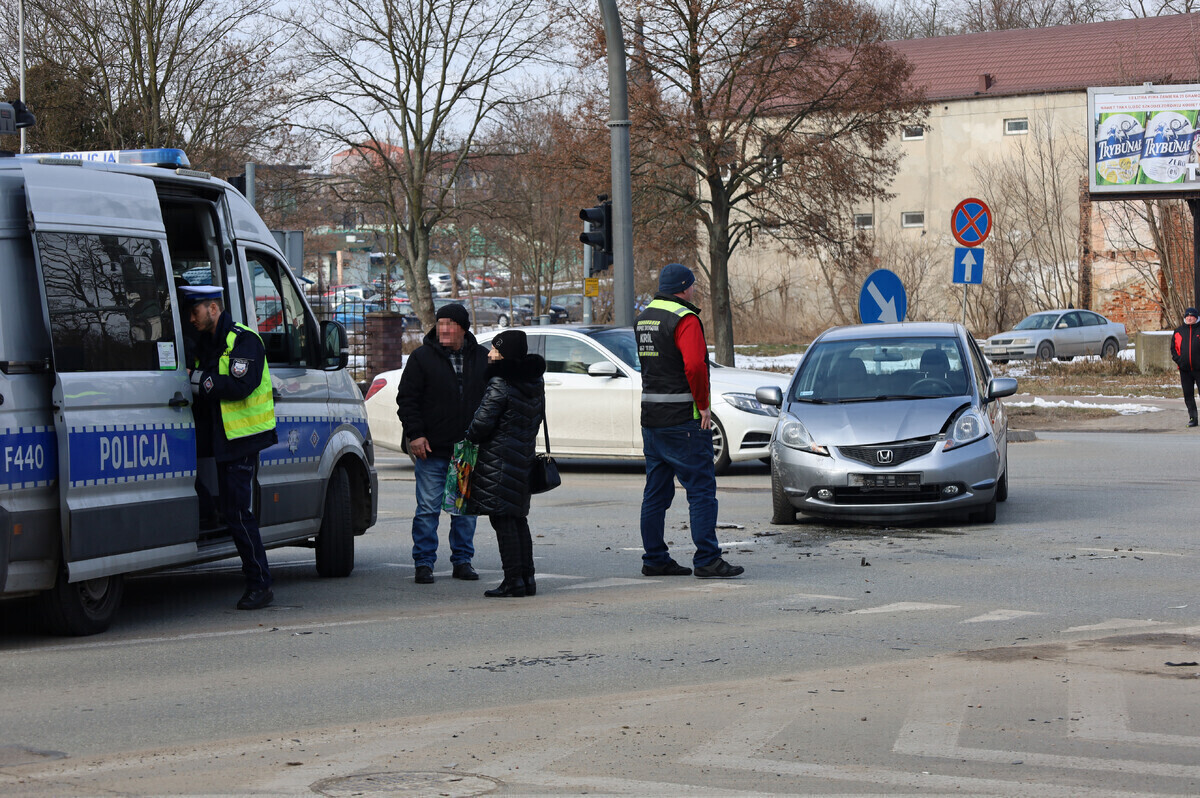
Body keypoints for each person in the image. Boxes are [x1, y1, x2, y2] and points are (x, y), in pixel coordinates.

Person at [635, 263, 744, 579]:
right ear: (684, 287)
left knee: (655, 493)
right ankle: (708, 559)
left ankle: (655, 558)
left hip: (652, 419)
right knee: (701, 490)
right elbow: (695, 366)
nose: (694, 289)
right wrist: (704, 406)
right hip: (683, 420)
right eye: (693, 285)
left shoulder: (644, 318)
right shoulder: (685, 318)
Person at [181, 284, 278, 610]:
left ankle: (260, 584)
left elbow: (240, 385)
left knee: (237, 513)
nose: (191, 319)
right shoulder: (207, 342)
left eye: (195, 312)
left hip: (242, 440)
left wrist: (199, 379)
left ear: (213, 308)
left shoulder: (243, 340)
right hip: (220, 438)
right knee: (221, 504)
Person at [396, 303, 488, 583]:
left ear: (464, 328)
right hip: (431, 449)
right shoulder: (421, 358)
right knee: (427, 510)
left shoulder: (482, 358)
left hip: (466, 450)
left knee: (464, 511)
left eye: (450, 324)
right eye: (441, 323)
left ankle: (463, 561)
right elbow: (407, 400)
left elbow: (492, 400)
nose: (444, 329)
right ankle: (424, 563)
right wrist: (415, 434)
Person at [463, 329, 546, 597]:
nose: (490, 354)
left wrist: (469, 436)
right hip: (522, 457)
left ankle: (513, 581)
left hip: (497, 461)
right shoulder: (534, 381)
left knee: (503, 520)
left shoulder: (501, 382)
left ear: (505, 354)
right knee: (518, 519)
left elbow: (482, 423)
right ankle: (527, 579)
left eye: (495, 350)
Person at [1172, 307, 1200, 427]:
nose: (1189, 318)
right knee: (1188, 395)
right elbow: (1173, 349)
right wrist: (1180, 362)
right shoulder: (1178, 331)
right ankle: (1193, 418)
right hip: (1185, 370)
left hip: (1199, 369)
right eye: (1187, 316)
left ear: (1196, 318)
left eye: (1192, 316)